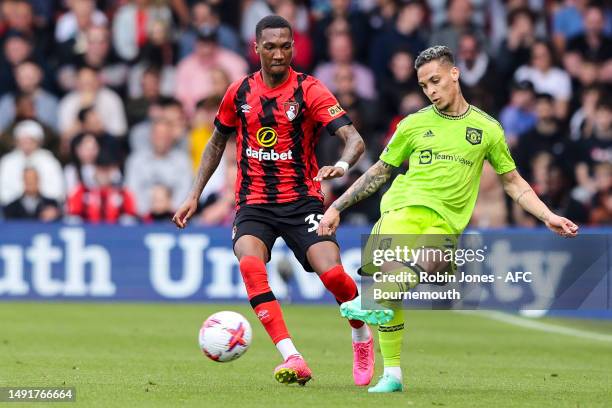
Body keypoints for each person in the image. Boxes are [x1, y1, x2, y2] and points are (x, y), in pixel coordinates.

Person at [318, 45, 579, 393]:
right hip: (402, 209)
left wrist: (548, 215)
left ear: (454, 73)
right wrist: (337, 206)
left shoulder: (487, 129)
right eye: (424, 85)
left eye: (436, 81)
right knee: (393, 277)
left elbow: (513, 182)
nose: (431, 90)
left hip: (446, 222)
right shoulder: (412, 124)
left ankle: (370, 300)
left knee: (435, 264)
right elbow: (380, 171)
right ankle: (392, 373)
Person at [173, 15, 373, 387]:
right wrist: (194, 194)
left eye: (285, 46)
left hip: (303, 201)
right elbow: (217, 142)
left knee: (333, 276)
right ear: (257, 48)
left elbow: (354, 139)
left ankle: (361, 335)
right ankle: (292, 357)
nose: (278, 53)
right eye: (270, 46)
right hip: (254, 202)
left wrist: (342, 165)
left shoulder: (310, 90)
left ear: (293, 47)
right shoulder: (239, 92)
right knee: (250, 264)